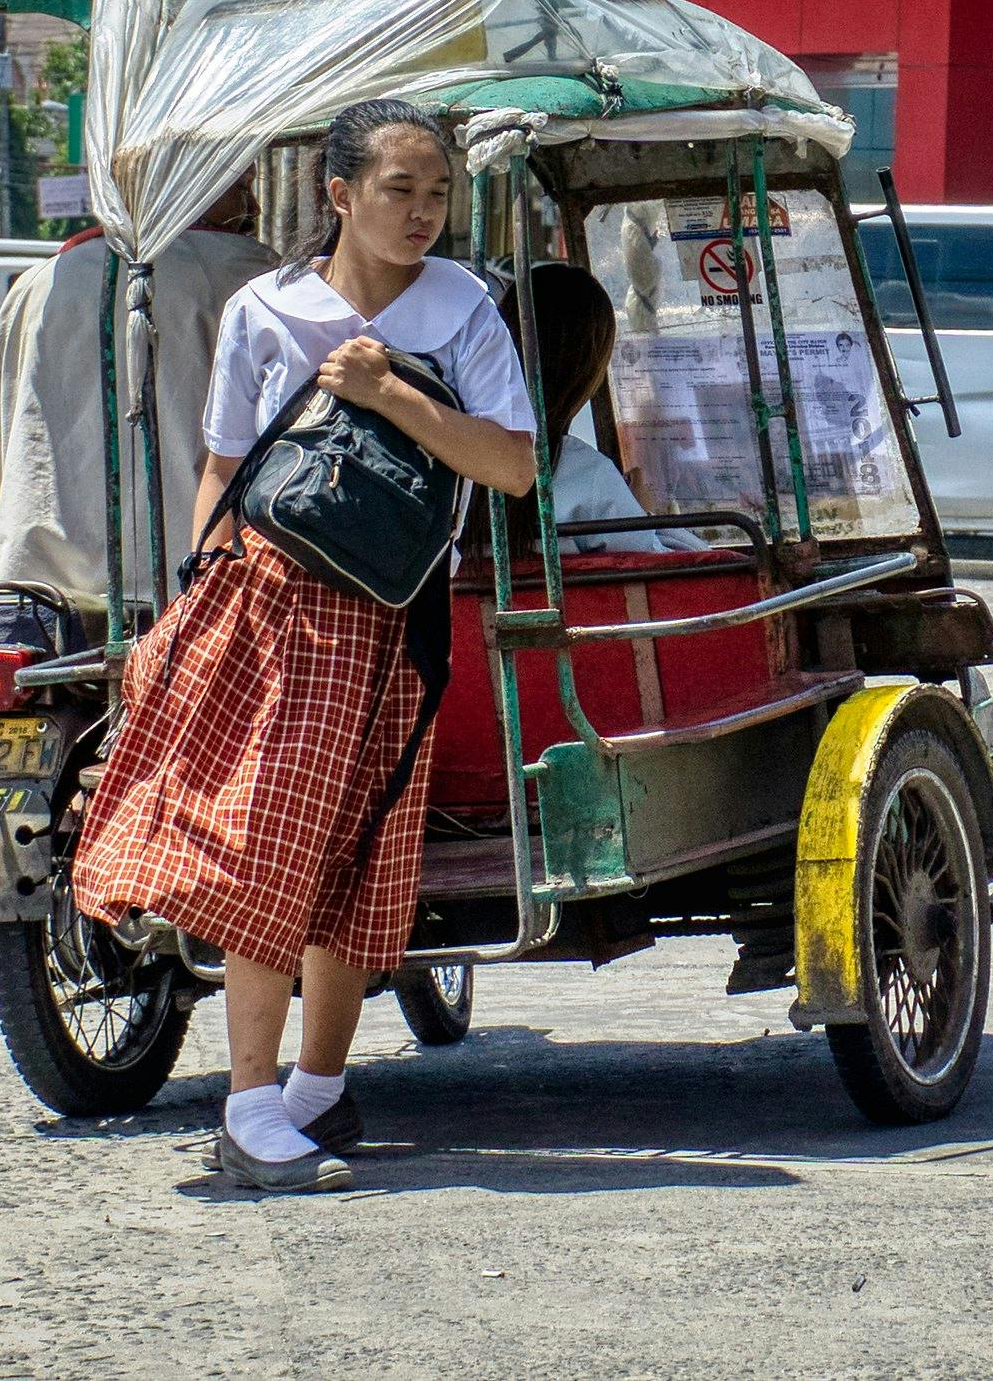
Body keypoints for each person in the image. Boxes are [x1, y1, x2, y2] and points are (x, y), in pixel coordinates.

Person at [71, 100, 535, 1194]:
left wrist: (386, 395)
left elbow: (510, 465)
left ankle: (317, 1093)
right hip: (273, 599)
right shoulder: (264, 311)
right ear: (338, 195)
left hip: (401, 607)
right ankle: (246, 1108)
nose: (421, 213)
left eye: (436, 193)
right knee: (269, 843)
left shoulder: (464, 308)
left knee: (362, 856)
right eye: (397, 190)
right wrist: (194, 596)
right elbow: (223, 471)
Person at [0, 177, 275, 604]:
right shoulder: (256, 279)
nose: (254, 206)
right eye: (239, 183)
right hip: (190, 593)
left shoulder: (36, 285)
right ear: (190, 175)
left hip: (36, 589)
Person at [499, 262, 708, 559]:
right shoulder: (585, 473)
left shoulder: (460, 456)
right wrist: (646, 513)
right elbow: (679, 568)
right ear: (587, 369)